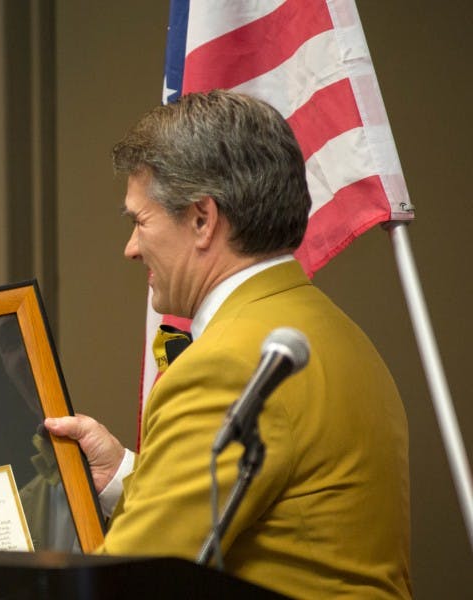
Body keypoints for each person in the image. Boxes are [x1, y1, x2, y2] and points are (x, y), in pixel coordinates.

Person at [46, 90, 411, 598]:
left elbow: (126, 584)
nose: (131, 248)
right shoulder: (336, 333)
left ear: (202, 219)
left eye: (140, 221)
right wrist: (122, 476)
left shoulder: (225, 365)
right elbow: (265, 526)